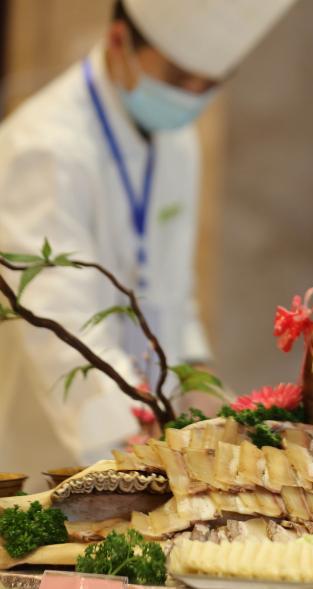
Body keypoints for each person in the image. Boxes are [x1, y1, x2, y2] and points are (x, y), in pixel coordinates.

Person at [0, 0, 295, 486]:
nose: (194, 96)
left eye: (212, 83)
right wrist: (144, 442)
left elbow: (172, 291)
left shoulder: (176, 140)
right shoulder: (45, 147)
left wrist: (200, 388)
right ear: (119, 41)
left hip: (148, 437)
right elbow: (63, 330)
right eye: (180, 78)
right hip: (51, 447)